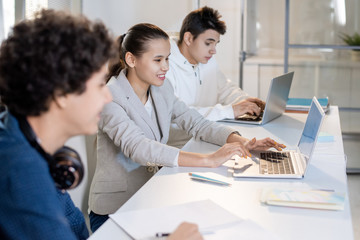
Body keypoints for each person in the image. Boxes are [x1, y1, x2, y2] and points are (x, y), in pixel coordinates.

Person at [0, 10, 202, 240]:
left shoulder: (25, 142)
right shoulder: (21, 177)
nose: (107, 97)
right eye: (98, 86)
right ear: (61, 93)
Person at [88, 23, 285, 232]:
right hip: (115, 210)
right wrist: (208, 160)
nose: (165, 67)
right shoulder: (110, 97)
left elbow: (196, 122)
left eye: (167, 59)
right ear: (131, 59)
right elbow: (139, 148)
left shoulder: (161, 89)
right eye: (158, 60)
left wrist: (244, 142)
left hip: (151, 198)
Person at [166, 6, 265, 148]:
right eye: (208, 43)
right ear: (188, 38)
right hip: (181, 145)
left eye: (215, 44)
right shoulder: (165, 65)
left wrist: (244, 102)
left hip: (207, 135)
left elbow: (224, 88)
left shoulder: (206, 59)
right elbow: (180, 115)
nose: (213, 50)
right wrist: (230, 110)